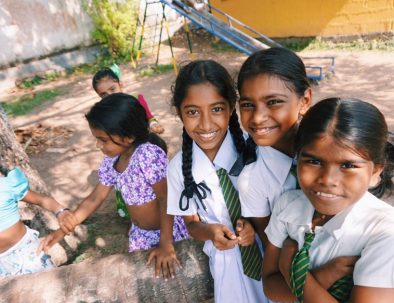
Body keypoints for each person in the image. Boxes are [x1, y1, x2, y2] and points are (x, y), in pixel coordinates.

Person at [39, 93, 189, 280]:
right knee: (150, 279)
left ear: (128, 136)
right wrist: (63, 231)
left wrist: (166, 244)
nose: (97, 145)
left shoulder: (147, 155)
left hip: (167, 232)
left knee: (174, 276)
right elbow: (95, 198)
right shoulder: (112, 161)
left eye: (103, 140)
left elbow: (166, 198)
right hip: (141, 235)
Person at [262, 98, 394, 303]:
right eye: (314, 161)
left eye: (348, 166)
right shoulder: (288, 205)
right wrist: (326, 275)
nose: (327, 180)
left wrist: (290, 268)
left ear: (375, 171)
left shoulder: (384, 231)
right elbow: (270, 287)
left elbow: (279, 283)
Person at [166, 60, 267, 302]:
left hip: (268, 252)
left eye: (216, 109)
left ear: (231, 107)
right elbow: (191, 224)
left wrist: (255, 225)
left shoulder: (255, 150)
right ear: (179, 113)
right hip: (226, 264)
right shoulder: (179, 169)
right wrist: (209, 231)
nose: (206, 123)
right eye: (192, 112)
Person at [234, 47, 312, 246]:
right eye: (247, 105)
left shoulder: (332, 149)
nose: (258, 118)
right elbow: (273, 248)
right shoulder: (253, 181)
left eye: (274, 102)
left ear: (304, 101)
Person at [0, 164, 75, 277]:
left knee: (48, 284)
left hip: (26, 250)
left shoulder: (5, 185)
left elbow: (41, 200)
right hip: (2, 266)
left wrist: (60, 210)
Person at [92, 64, 165, 135]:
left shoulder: (137, 100)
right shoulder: (106, 113)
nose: (110, 95)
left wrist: (153, 124)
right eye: (104, 95)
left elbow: (150, 117)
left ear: (120, 85)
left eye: (112, 89)